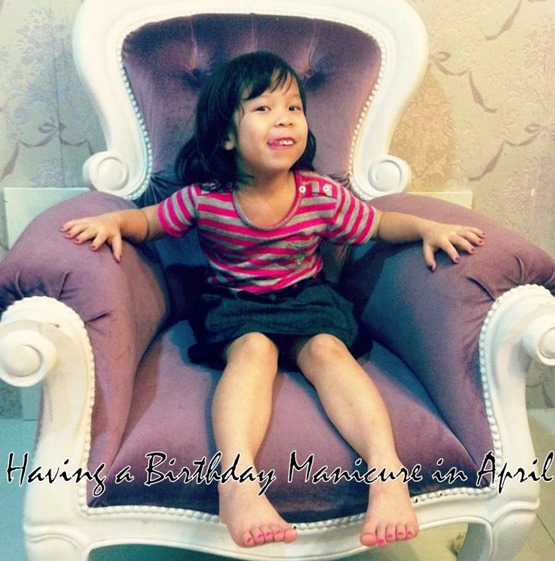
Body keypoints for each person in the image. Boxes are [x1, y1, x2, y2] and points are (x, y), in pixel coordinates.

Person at [61, 51, 485, 550]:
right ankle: (237, 486)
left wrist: (428, 228)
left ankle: (387, 475)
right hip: (235, 305)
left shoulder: (320, 194)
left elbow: (378, 223)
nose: (283, 119)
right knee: (254, 351)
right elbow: (149, 221)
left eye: (293, 108)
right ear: (227, 135)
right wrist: (114, 221)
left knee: (329, 351)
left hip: (308, 300)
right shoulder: (207, 197)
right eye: (262, 109)